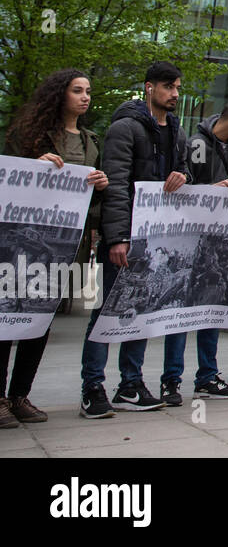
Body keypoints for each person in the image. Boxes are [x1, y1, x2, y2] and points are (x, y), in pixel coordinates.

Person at [81, 61, 205, 417]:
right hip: (125, 238)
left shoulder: (178, 133)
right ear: (150, 88)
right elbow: (115, 185)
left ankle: (130, 384)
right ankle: (92, 387)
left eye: (178, 87)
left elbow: (187, 176)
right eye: (169, 87)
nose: (176, 94)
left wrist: (183, 174)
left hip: (156, 242)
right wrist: (117, 237)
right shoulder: (125, 128)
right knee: (106, 312)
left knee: (142, 311)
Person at [1, 70, 109, 426]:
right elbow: (9, 179)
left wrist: (100, 184)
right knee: (8, 317)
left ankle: (19, 396)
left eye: (88, 91)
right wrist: (35, 167)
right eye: (77, 90)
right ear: (58, 94)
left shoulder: (92, 141)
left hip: (65, 246)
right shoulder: (29, 135)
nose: (85, 97)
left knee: (40, 318)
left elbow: (91, 202)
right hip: (23, 242)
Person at [161, 94, 228, 405]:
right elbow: (184, 186)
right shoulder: (196, 144)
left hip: (219, 241)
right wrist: (210, 191)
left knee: (212, 309)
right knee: (181, 312)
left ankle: (207, 376)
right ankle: (171, 380)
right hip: (191, 237)